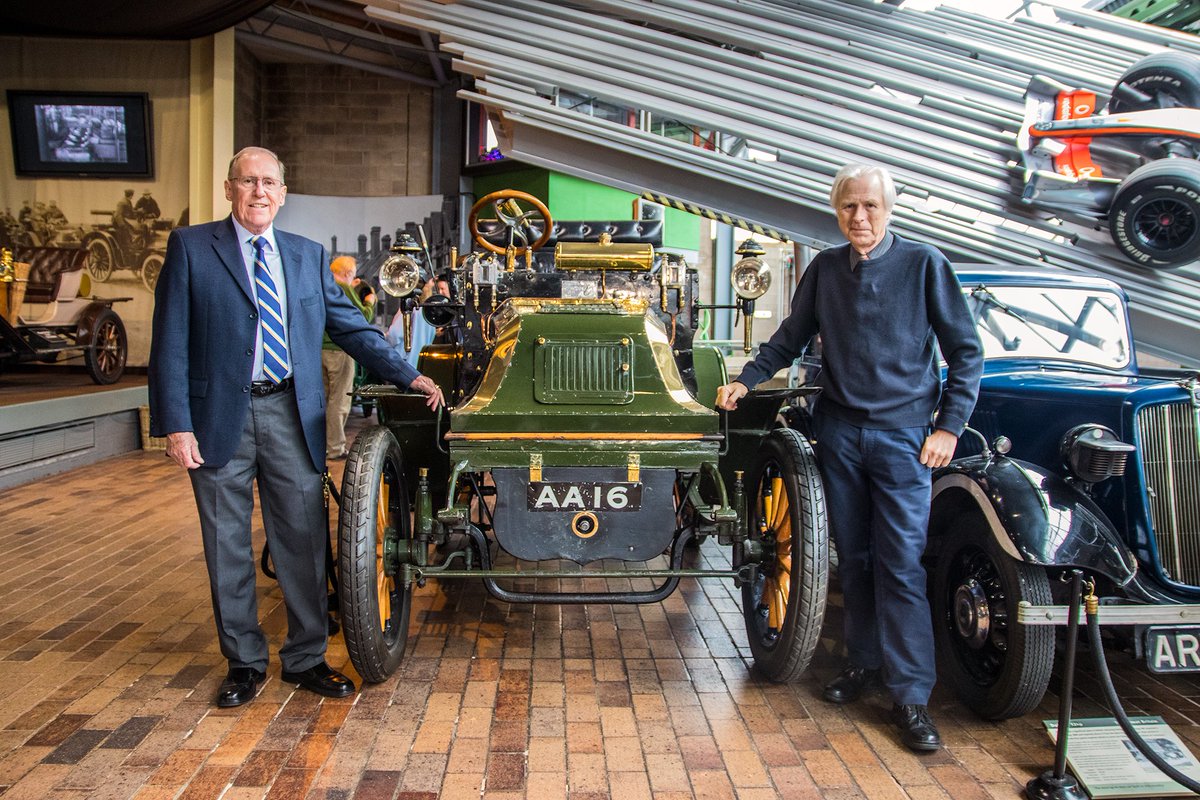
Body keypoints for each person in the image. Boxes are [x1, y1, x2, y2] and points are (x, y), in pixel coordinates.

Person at [148, 146, 444, 709]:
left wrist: (410, 377)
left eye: (269, 183)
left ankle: (306, 659)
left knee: (303, 544)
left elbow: (354, 330)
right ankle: (244, 662)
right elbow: (170, 343)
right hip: (217, 421)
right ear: (230, 188)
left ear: (283, 194)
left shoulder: (308, 256)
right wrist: (176, 425)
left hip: (291, 413)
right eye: (248, 181)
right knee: (226, 545)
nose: (259, 192)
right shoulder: (192, 248)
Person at [715, 163, 982, 753]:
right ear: (836, 212)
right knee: (854, 559)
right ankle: (862, 664)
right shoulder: (827, 269)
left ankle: (910, 696)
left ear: (890, 209)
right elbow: (789, 336)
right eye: (847, 208)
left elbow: (967, 354)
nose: (859, 218)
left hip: (905, 440)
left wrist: (949, 429)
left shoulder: (925, 265)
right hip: (840, 434)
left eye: (870, 207)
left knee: (902, 565)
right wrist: (748, 379)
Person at [321, 255, 374, 460]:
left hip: (320, 350)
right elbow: (361, 318)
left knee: (325, 400)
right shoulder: (343, 287)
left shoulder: (323, 285)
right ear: (347, 273)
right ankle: (335, 448)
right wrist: (370, 302)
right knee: (340, 400)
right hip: (339, 350)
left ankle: (324, 445)